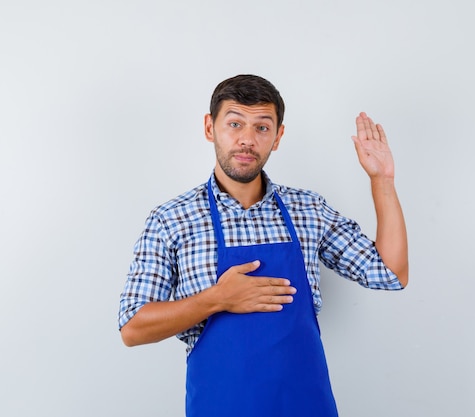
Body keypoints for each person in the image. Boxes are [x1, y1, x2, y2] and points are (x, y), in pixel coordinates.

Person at [118, 74, 408, 417]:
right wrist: (218, 298)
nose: (246, 140)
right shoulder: (171, 220)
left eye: (262, 127)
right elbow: (133, 327)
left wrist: (382, 181)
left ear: (278, 136)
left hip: (306, 406)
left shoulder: (308, 210)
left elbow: (390, 272)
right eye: (235, 124)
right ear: (210, 128)